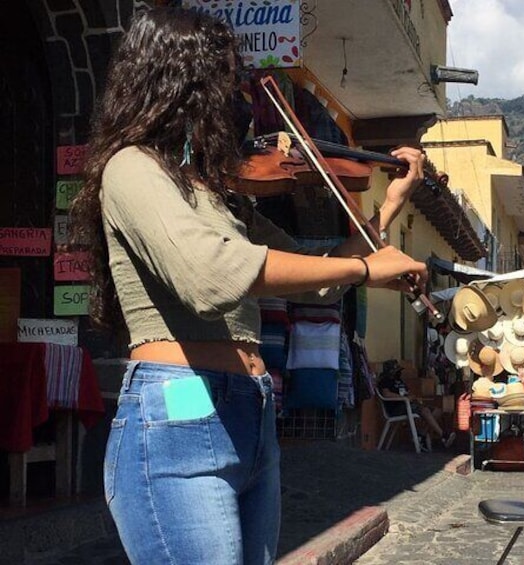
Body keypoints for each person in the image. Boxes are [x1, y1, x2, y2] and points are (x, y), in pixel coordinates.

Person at [70, 8, 428, 564]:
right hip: (179, 406)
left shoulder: (219, 193)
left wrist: (386, 210)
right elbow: (213, 278)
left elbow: (315, 276)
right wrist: (363, 270)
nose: (235, 99)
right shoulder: (132, 168)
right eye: (222, 81)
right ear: (179, 84)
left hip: (251, 411)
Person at [377, 360, 455, 450]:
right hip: (397, 408)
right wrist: (405, 399)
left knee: (437, 410)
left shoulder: (399, 380)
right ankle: (443, 436)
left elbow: (407, 392)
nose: (399, 372)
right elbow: (386, 394)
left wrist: (413, 397)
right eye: (396, 370)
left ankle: (422, 435)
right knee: (425, 411)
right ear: (391, 371)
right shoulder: (385, 381)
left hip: (409, 405)